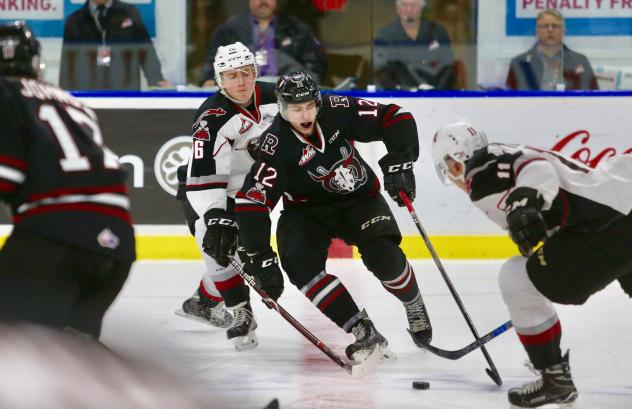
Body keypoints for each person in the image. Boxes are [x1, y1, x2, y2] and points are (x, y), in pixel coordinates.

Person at [235, 71, 433, 362]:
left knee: (384, 256)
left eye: (309, 107)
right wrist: (261, 257)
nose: (304, 115)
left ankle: (413, 302)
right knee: (299, 264)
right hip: (306, 211)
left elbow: (395, 117)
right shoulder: (275, 145)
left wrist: (401, 160)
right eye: (295, 109)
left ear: (317, 102)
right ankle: (363, 330)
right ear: (282, 109)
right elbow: (252, 201)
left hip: (359, 198)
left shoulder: (337, 109)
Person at [431, 121, 632, 407]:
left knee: (517, 279)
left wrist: (525, 201)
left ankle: (554, 379)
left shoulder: (481, 174)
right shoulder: (501, 154)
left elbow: (537, 169)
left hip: (608, 225)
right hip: (621, 204)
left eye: (449, 168)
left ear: (457, 161)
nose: (453, 179)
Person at [0, 21, 136, 338]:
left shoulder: (5, 94)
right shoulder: (73, 102)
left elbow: (6, 177)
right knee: (69, 354)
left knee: (15, 347)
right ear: (36, 61)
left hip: (52, 243)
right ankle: (127, 387)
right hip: (117, 246)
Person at [175, 42, 279, 351]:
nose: (241, 82)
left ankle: (202, 303)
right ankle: (240, 313)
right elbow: (205, 177)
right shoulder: (212, 117)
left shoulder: (277, 98)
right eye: (231, 75)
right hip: (204, 190)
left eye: (246, 73)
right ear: (220, 80)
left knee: (243, 256)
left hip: (247, 191)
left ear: (255, 72)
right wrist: (215, 213)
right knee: (218, 245)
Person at [200, 0, 326, 87]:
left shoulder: (297, 29)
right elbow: (212, 62)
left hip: (287, 94)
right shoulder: (229, 29)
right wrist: (209, 79)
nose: (263, 1)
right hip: (241, 92)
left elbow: (315, 67)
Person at [60, 0, 171, 90]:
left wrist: (156, 79)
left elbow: (146, 50)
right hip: (89, 95)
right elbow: (67, 64)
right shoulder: (75, 21)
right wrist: (64, 96)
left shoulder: (129, 13)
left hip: (125, 91)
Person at [506, 9, 598, 91]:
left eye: (555, 26)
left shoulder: (580, 61)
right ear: (536, 31)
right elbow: (508, 101)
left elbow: (594, 97)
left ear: (563, 31)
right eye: (545, 26)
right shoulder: (519, 63)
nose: (550, 30)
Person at [373, 0, 456, 90]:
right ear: (398, 8)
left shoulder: (438, 32)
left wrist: (437, 93)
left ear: (421, 8)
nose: (409, 9)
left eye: (414, 5)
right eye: (404, 5)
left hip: (436, 94)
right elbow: (381, 71)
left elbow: (448, 65)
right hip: (400, 96)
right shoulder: (385, 35)